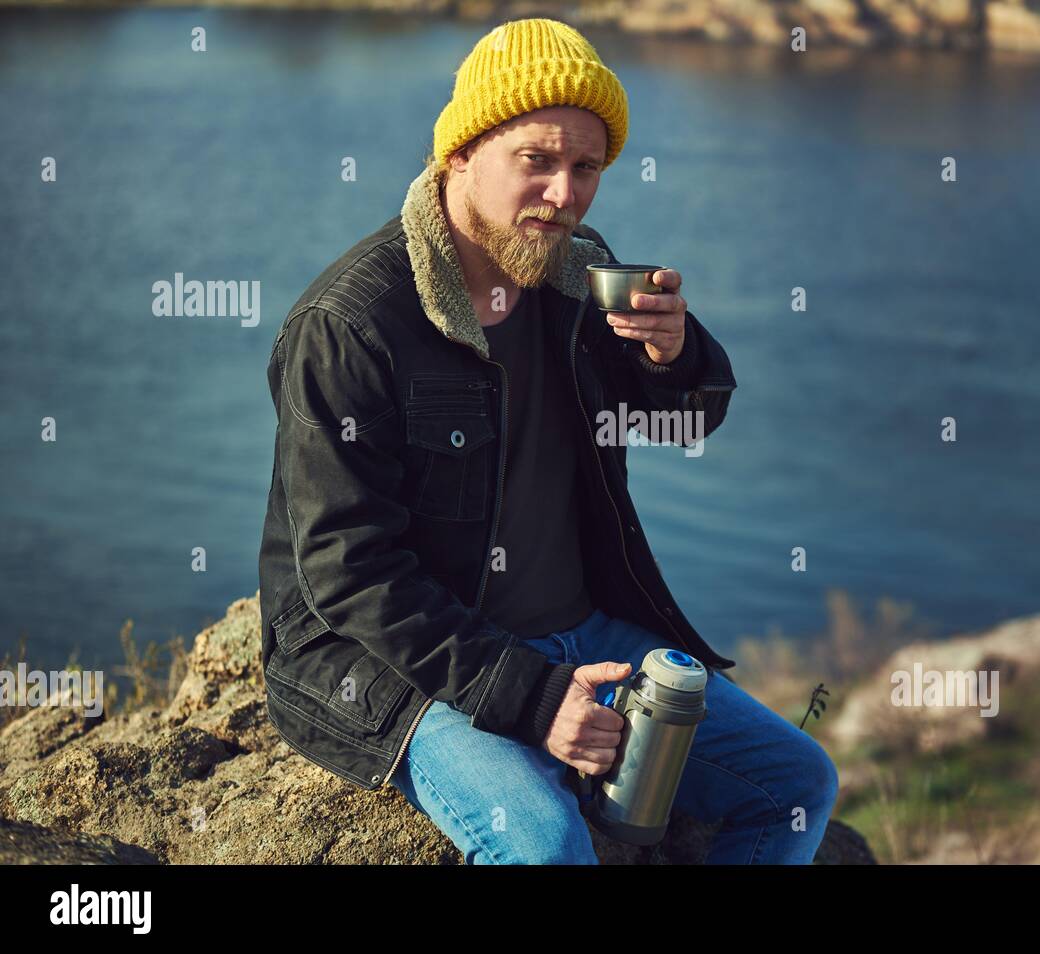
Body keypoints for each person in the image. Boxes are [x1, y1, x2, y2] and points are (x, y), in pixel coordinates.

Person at [256, 16, 837, 864]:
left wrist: (676, 360)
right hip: (404, 665)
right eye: (537, 160)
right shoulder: (351, 324)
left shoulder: (574, 274)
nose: (564, 195)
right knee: (545, 841)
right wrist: (532, 699)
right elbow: (351, 572)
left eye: (586, 167)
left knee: (795, 786)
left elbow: (692, 418)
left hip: (587, 632)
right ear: (460, 155)